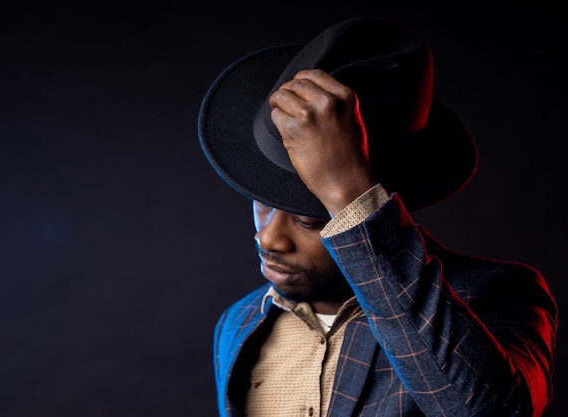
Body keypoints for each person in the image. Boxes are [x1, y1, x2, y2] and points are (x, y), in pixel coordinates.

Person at [197, 16, 557, 417]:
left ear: (380, 203)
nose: (269, 239)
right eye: (261, 201)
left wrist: (347, 192)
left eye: (310, 220)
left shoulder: (498, 295)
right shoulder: (240, 322)